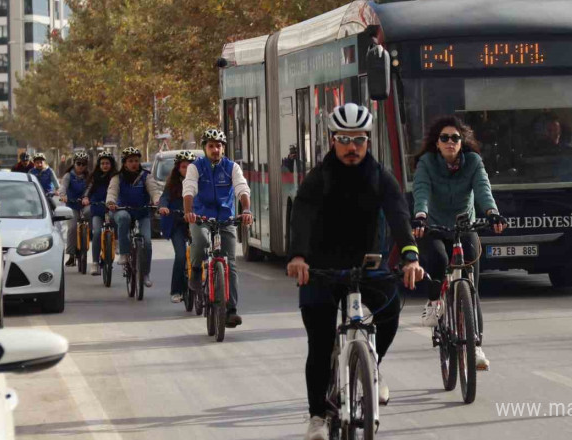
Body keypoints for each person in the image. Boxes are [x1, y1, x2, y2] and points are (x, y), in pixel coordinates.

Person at [286, 103, 425, 440]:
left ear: (368, 140)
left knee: (390, 309)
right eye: (345, 139)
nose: (352, 147)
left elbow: (398, 214)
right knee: (319, 344)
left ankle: (372, 367)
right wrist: (298, 256)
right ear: (333, 140)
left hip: (368, 266)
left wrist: (410, 256)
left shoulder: (380, 176)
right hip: (320, 268)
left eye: (359, 140)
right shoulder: (319, 178)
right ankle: (317, 416)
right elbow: (301, 214)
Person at [411, 115, 507, 371]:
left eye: (455, 138)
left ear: (462, 141)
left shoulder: (473, 162)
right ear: (437, 143)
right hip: (435, 226)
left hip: (465, 226)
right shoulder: (427, 163)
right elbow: (421, 190)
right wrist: (420, 216)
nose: (450, 142)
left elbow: (483, 189)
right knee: (440, 260)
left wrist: (492, 213)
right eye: (445, 138)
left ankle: (475, 346)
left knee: (471, 286)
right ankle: (434, 303)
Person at [183, 128, 252, 328]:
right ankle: (196, 270)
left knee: (230, 262)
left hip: (226, 219)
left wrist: (246, 210)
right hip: (200, 216)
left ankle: (231, 310)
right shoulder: (195, 167)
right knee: (202, 241)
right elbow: (189, 189)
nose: (215, 149)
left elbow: (241, 188)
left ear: (223, 148)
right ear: (204, 148)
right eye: (211, 146)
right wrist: (189, 211)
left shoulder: (232, 167)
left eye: (219, 146)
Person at [106, 147, 161, 288]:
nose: (134, 163)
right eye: (130, 161)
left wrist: (157, 201)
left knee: (147, 243)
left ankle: (145, 274)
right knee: (123, 218)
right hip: (122, 210)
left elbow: (154, 190)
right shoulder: (117, 177)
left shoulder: (146, 176)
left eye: (136, 161)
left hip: (142, 212)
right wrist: (111, 202)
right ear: (124, 163)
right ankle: (124, 253)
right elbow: (112, 191)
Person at [158, 151, 196, 303]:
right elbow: (164, 198)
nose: (186, 170)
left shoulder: (201, 182)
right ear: (178, 169)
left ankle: (203, 284)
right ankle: (176, 291)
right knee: (181, 256)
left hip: (196, 223)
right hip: (177, 223)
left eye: (190, 167)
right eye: (183, 167)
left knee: (202, 254)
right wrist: (163, 207)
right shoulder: (172, 184)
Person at [82, 152, 118, 276]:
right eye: (102, 163)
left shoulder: (116, 177)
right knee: (96, 232)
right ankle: (95, 263)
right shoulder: (94, 177)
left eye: (107, 163)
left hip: (112, 209)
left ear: (111, 164)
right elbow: (88, 189)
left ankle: (117, 243)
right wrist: (86, 197)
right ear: (99, 165)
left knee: (117, 223)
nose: (105, 165)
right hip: (97, 209)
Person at [60, 152, 92, 267]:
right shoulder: (68, 175)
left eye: (83, 164)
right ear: (74, 163)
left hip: (85, 204)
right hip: (72, 205)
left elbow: (90, 187)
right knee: (72, 228)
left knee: (90, 213)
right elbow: (63, 186)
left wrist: (86, 197)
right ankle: (71, 255)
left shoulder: (89, 176)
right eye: (78, 163)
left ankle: (89, 234)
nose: (81, 166)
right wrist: (63, 195)